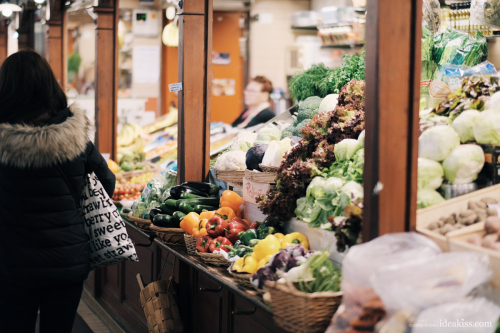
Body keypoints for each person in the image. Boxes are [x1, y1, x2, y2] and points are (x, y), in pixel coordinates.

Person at [0, 50, 115, 333]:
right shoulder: (75, 136)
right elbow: (107, 183)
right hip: (67, 260)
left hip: (12, 261)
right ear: (49, 86)